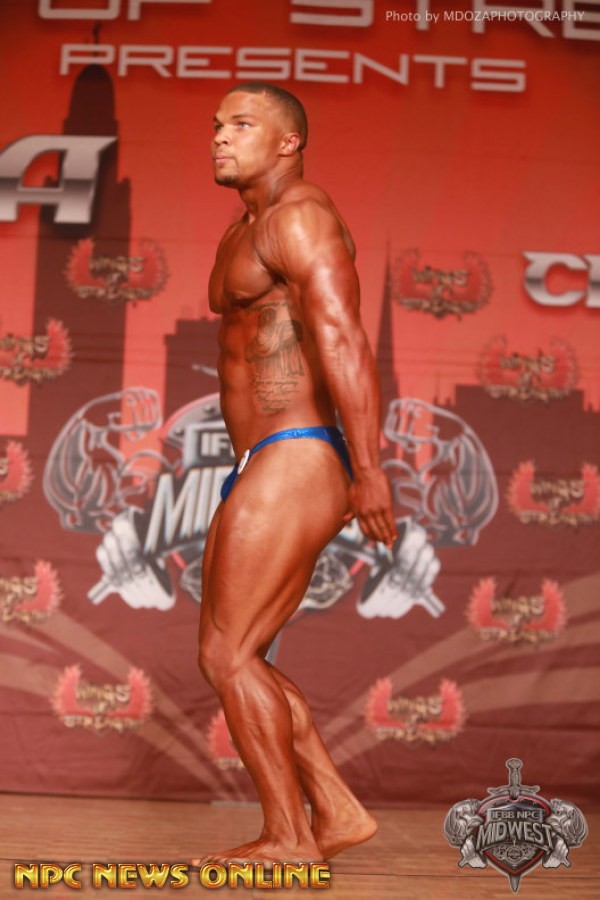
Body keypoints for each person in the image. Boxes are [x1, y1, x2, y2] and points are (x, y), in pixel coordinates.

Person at [195, 82, 397, 866]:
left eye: (242, 125)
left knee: (228, 656)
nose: (221, 136)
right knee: (231, 653)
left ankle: (288, 838)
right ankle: (337, 812)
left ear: (288, 142)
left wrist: (369, 469)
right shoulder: (241, 231)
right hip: (260, 456)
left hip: (300, 449)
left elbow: (343, 338)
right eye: (217, 125)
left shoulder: (301, 218)